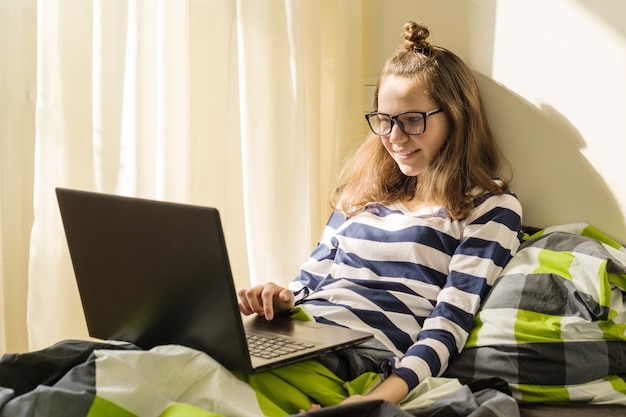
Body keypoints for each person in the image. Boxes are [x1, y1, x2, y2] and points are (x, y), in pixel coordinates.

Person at [238, 21, 523, 408]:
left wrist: (376, 401)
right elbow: (308, 284)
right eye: (385, 120)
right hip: (298, 337)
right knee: (169, 355)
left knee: (188, 373)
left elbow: (448, 325)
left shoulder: (490, 208)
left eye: (412, 120)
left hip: (358, 359)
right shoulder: (358, 196)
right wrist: (279, 300)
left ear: (456, 118)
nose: (394, 138)